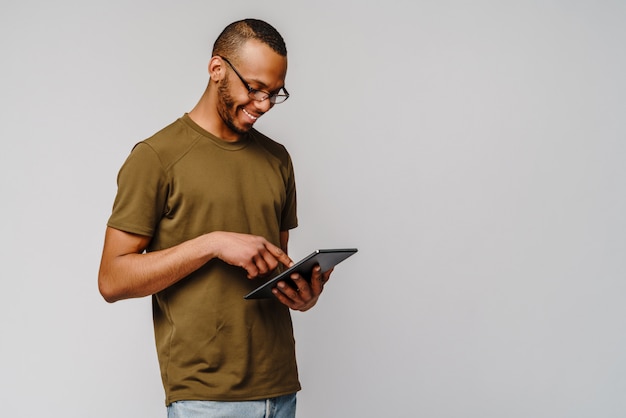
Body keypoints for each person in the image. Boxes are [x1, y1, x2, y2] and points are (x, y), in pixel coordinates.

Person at [98, 18, 331, 417]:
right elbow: (112, 279)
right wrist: (213, 243)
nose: (262, 105)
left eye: (274, 94)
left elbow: (275, 266)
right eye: (254, 88)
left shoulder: (277, 159)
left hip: (280, 388)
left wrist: (302, 296)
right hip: (205, 398)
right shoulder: (156, 158)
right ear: (216, 69)